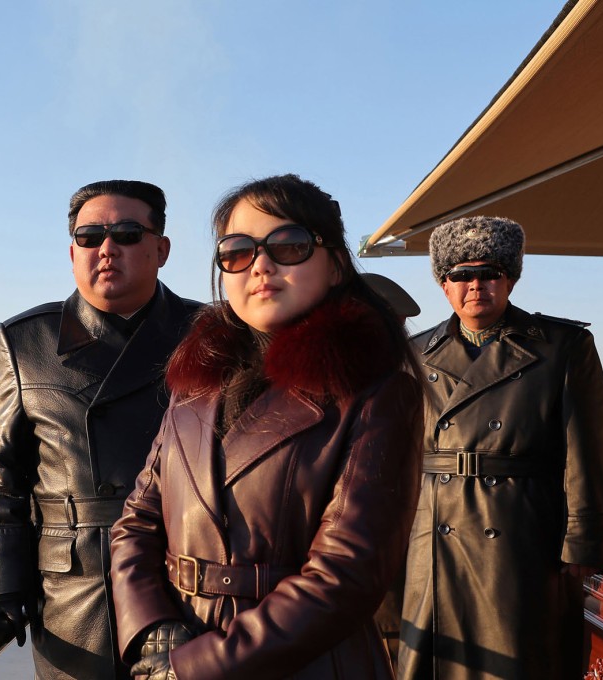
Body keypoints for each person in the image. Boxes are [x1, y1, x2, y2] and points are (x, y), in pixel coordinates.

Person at [109, 174, 424, 679]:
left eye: (289, 245)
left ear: (337, 263)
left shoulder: (374, 391)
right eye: (236, 251)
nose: (260, 264)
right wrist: (151, 632)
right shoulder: (196, 383)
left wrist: (194, 668)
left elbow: (346, 576)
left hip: (308, 663)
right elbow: (137, 522)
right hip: (176, 648)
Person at [0, 179, 202, 679]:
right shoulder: (26, 341)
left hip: (187, 575)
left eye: (126, 233)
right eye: (90, 235)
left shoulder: (210, 333)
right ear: (72, 251)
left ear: (161, 249)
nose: (107, 248)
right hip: (75, 592)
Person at [398, 216, 603, 679]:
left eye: (490, 272)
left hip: (524, 531)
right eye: (460, 275)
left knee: (520, 658)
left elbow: (589, 454)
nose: (476, 285)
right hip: (431, 530)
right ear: (443, 284)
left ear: (511, 278)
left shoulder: (563, 346)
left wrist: (583, 542)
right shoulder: (413, 354)